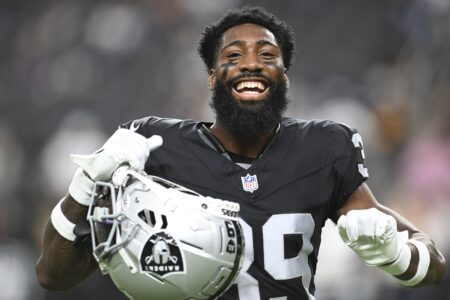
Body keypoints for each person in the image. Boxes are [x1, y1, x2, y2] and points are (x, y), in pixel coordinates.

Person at [36, 6, 446, 300]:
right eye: (233, 57)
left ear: (283, 76)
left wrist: (396, 256)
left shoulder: (324, 148)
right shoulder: (155, 148)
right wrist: (85, 185)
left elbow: (433, 263)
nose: (251, 65)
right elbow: (53, 276)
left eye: (267, 56)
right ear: (213, 78)